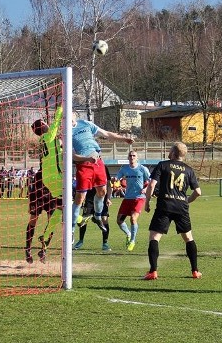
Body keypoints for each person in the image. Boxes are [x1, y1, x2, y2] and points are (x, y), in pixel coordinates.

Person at [143, 142, 202, 280]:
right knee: (188, 238)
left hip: (165, 206)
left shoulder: (163, 165)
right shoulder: (189, 170)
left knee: (154, 237)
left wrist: (147, 202)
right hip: (181, 207)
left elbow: (152, 185)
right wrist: (186, 201)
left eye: (170, 149)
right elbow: (198, 192)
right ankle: (195, 271)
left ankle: (153, 271)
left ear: (173, 153)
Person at [71, 110, 134, 236]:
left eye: (71, 114)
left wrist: (124, 139)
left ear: (74, 115)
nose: (69, 117)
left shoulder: (85, 123)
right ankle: (71, 229)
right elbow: (72, 156)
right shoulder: (65, 133)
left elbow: (106, 133)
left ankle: (98, 217)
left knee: (103, 192)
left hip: (98, 161)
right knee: (80, 197)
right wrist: (87, 159)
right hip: (83, 165)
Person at [25, 107, 64, 263]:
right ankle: (34, 250)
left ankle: (38, 250)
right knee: (44, 218)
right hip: (46, 182)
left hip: (42, 180)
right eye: (44, 123)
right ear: (43, 127)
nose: (48, 124)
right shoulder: (49, 136)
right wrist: (62, 107)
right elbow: (56, 122)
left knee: (48, 217)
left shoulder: (46, 139)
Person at [115, 150, 150, 251]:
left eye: (134, 156)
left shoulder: (142, 169)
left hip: (139, 197)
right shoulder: (124, 168)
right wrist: (115, 179)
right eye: (130, 156)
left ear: (137, 158)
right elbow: (118, 176)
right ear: (128, 157)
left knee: (133, 219)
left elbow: (150, 180)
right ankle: (129, 233)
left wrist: (146, 189)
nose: (132, 157)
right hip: (127, 198)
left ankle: (133, 241)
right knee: (119, 220)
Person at [74, 166, 113, 251]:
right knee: (84, 219)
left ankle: (105, 243)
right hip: (89, 198)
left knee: (104, 219)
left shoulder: (104, 168)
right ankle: (80, 241)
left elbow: (109, 185)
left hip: (102, 197)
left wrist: (109, 198)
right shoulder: (87, 167)